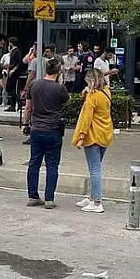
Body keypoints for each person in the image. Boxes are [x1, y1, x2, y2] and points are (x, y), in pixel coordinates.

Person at [24, 59, 69, 208]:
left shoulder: (34, 85)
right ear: (58, 71)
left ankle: (32, 196)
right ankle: (49, 198)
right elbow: (66, 102)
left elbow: (28, 107)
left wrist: (26, 123)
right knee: (52, 164)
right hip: (53, 129)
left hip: (36, 128)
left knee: (34, 163)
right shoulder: (59, 88)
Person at [72, 68, 113, 213]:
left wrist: (81, 137)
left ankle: (97, 202)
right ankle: (91, 197)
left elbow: (86, 117)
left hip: (93, 135)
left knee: (94, 170)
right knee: (96, 167)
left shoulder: (92, 96)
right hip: (105, 133)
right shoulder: (106, 91)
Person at [4, 37, 25, 112]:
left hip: (15, 73)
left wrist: (13, 70)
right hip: (11, 70)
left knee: (14, 89)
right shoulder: (12, 51)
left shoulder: (17, 51)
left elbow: (19, 62)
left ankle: (18, 104)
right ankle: (12, 105)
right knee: (10, 88)